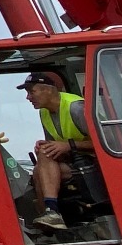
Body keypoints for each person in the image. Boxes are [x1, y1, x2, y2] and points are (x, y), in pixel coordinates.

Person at [20, 69, 92, 232]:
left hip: (96, 165)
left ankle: (50, 213)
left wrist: (68, 145)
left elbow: (109, 143)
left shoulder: (77, 108)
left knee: (42, 164)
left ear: (47, 89)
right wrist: (47, 144)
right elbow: (58, 146)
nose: (28, 97)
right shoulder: (44, 113)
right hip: (75, 162)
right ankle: (49, 216)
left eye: (32, 92)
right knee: (41, 161)